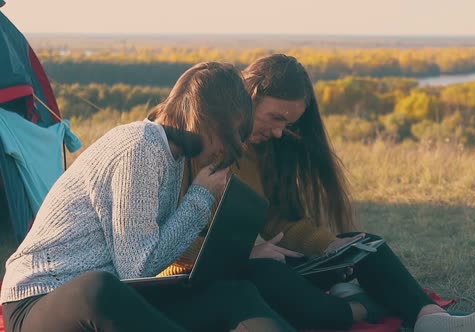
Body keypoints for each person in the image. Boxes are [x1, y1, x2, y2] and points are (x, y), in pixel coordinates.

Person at [161, 55, 475, 332]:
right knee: (274, 278)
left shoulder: (263, 152)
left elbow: (280, 222)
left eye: (287, 124)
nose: (278, 133)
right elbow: (164, 243)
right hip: (213, 275)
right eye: (275, 118)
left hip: (252, 261)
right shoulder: (195, 147)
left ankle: (432, 318)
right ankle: (360, 307)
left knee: (364, 244)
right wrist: (249, 253)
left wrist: (329, 247)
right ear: (248, 97)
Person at [0, 62, 295, 332]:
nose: (225, 151)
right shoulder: (140, 146)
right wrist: (201, 197)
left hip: (114, 296)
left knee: (233, 294)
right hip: (37, 300)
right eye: (228, 136)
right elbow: (137, 267)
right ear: (207, 119)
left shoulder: (173, 159)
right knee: (98, 289)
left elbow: (146, 263)